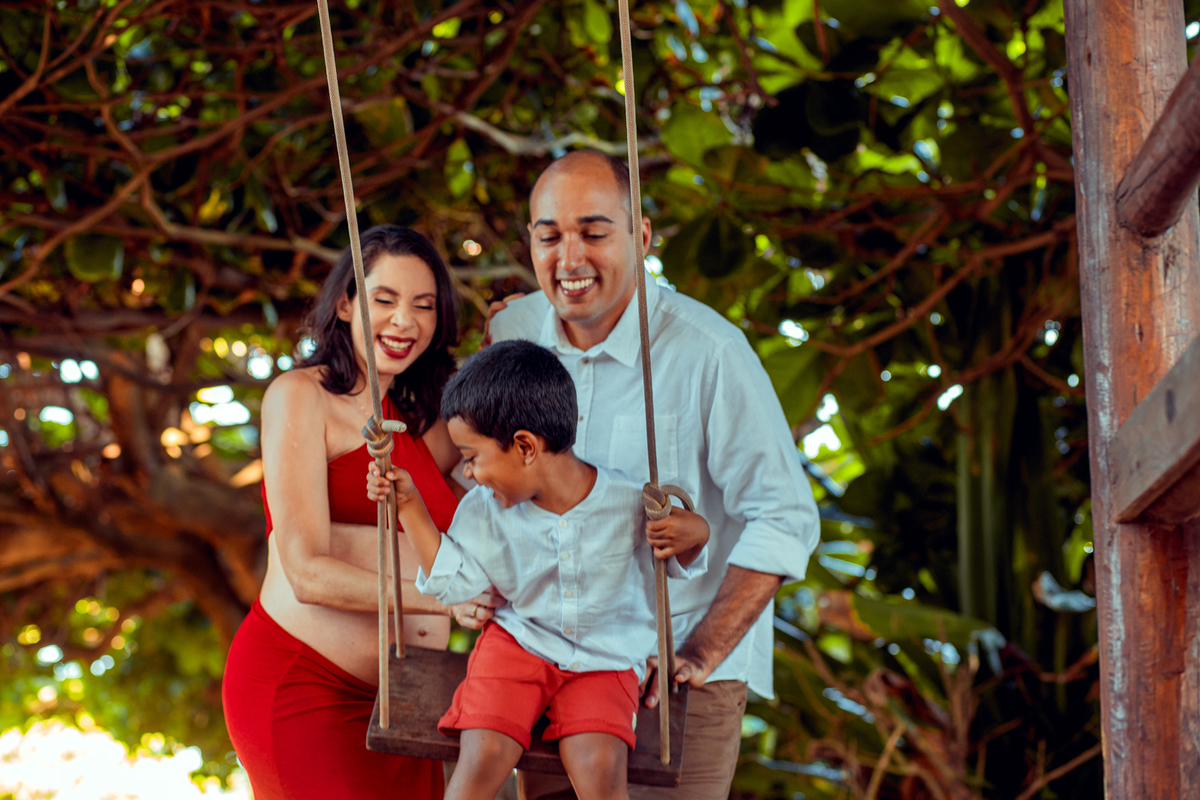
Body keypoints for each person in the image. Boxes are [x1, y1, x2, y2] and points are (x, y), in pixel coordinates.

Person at [489, 151, 822, 800]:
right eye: (550, 237)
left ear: (640, 235)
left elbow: (784, 517)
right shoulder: (513, 333)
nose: (570, 258)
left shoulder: (709, 351)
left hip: (674, 682)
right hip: (548, 669)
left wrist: (699, 653)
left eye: (594, 232)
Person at [222, 225, 500, 800]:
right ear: (345, 303)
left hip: (405, 705)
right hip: (307, 688)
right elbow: (305, 572)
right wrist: (444, 598)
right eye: (384, 300)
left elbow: (488, 426)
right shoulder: (302, 396)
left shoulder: (411, 430)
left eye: (423, 306)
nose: (404, 321)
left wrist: (505, 341)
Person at [365, 340, 710, 800]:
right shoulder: (484, 511)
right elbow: (457, 582)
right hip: (517, 642)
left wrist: (697, 533)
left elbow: (680, 560)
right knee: (484, 754)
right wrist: (409, 506)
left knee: (600, 767)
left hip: (603, 658)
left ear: (525, 446)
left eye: (471, 457)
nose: (467, 473)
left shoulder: (633, 504)